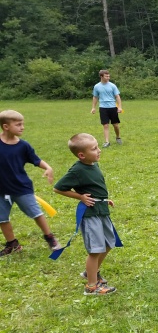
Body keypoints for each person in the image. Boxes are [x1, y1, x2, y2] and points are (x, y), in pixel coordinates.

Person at [53, 133, 119, 295]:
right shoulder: (77, 170)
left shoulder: (93, 165)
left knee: (109, 243)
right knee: (95, 249)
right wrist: (80, 197)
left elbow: (94, 186)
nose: (99, 151)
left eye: (97, 147)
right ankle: (91, 286)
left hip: (101, 209)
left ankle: (92, 272)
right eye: (94, 148)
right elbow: (58, 188)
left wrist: (104, 199)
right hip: (90, 214)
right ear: (82, 155)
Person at [0, 110, 62, 256]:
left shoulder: (23, 146)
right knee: (1, 218)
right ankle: (12, 244)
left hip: (21, 187)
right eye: (18, 124)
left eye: (23, 124)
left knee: (36, 213)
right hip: (1, 189)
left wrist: (48, 167)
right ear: (6, 126)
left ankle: (50, 237)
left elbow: (36, 160)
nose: (22, 127)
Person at [91, 70, 122, 148]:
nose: (108, 77)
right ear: (101, 76)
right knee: (105, 125)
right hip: (103, 108)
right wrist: (93, 107)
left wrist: (120, 107)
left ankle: (118, 137)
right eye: (106, 76)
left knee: (115, 125)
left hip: (112, 107)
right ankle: (107, 142)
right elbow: (95, 97)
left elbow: (117, 96)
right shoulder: (97, 86)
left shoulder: (112, 86)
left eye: (109, 76)